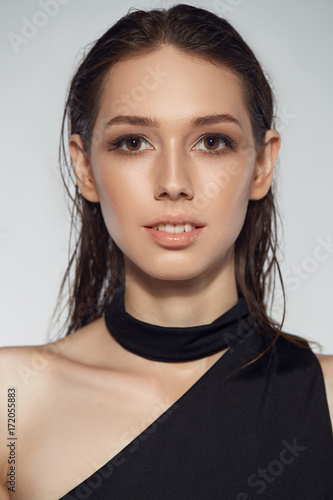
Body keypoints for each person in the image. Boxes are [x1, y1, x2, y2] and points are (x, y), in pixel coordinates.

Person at [0, 4, 332, 499]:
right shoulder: (11, 402)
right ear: (85, 167)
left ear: (262, 165)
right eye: (133, 142)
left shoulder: (326, 398)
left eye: (213, 142)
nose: (173, 183)